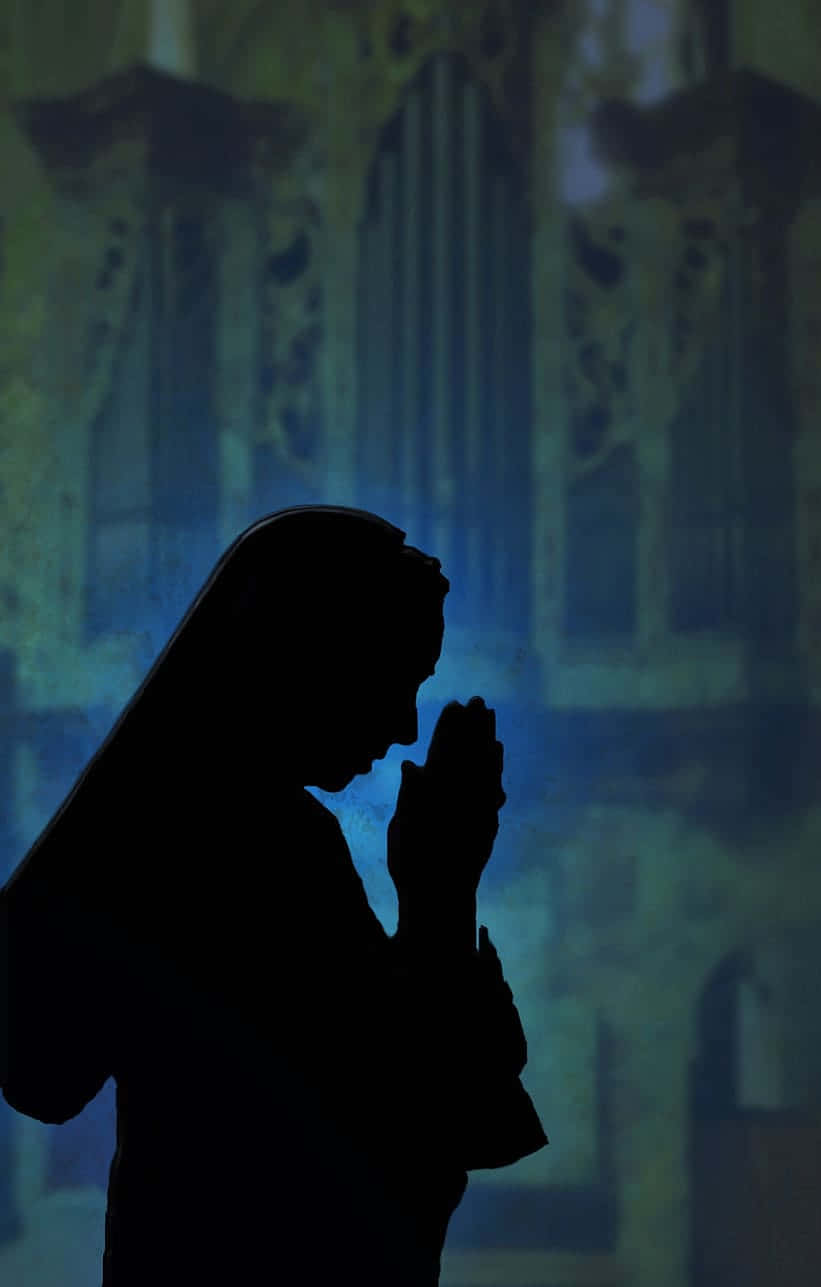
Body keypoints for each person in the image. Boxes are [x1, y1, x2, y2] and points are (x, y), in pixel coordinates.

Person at [0, 506, 547, 1286]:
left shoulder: (229, 829)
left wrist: (439, 885)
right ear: (309, 653)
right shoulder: (254, 845)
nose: (403, 725)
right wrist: (440, 889)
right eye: (395, 676)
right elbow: (415, 1116)